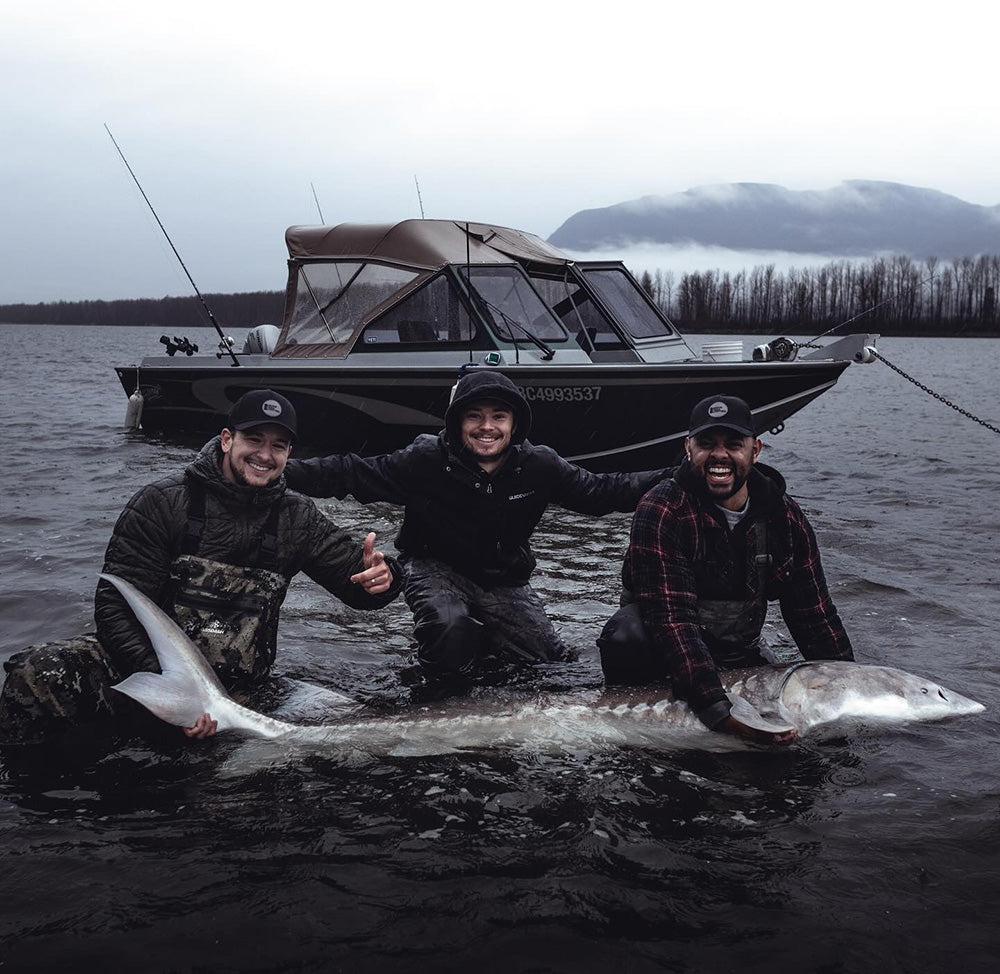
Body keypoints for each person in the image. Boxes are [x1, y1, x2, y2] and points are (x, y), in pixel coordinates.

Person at [0, 389, 400, 744]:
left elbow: (359, 587)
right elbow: (114, 606)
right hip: (151, 669)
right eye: (254, 439)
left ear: (289, 454)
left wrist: (385, 577)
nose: (264, 454)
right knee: (40, 672)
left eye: (278, 445)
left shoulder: (299, 517)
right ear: (227, 440)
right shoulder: (161, 502)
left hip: (238, 688)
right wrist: (174, 693)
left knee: (358, 733)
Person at [283, 369, 666, 684]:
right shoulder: (425, 459)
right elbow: (351, 473)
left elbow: (604, 491)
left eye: (498, 417)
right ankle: (434, 698)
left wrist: (679, 476)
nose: (487, 427)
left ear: (514, 425)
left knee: (549, 664)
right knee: (450, 635)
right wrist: (278, 472)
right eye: (474, 416)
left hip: (502, 577)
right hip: (434, 567)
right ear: (457, 423)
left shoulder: (540, 465)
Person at [599, 394, 854, 745]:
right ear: (688, 448)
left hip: (738, 651)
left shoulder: (785, 517)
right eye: (706, 444)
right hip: (662, 649)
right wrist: (718, 711)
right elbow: (673, 621)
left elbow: (814, 614)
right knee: (626, 635)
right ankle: (631, 718)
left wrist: (848, 683)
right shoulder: (661, 509)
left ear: (756, 450)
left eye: (734, 444)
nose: (719, 455)